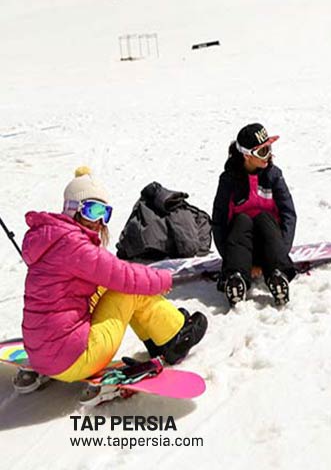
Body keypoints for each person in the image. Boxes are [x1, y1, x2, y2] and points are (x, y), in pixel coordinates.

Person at [18, 167, 207, 404]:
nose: (98, 221)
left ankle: (159, 332)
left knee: (104, 287)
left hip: (40, 352)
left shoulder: (50, 240)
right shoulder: (77, 247)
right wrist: (164, 279)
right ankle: (175, 336)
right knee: (127, 290)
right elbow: (124, 275)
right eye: (92, 210)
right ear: (73, 209)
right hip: (75, 359)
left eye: (104, 213)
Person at [211, 123, 297, 307]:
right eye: (262, 151)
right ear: (246, 155)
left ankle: (277, 275)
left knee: (264, 218)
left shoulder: (274, 176)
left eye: (269, 149)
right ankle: (236, 280)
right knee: (242, 220)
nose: (269, 155)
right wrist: (229, 257)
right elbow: (219, 224)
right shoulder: (228, 181)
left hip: (271, 246)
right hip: (239, 249)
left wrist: (283, 249)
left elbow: (289, 215)